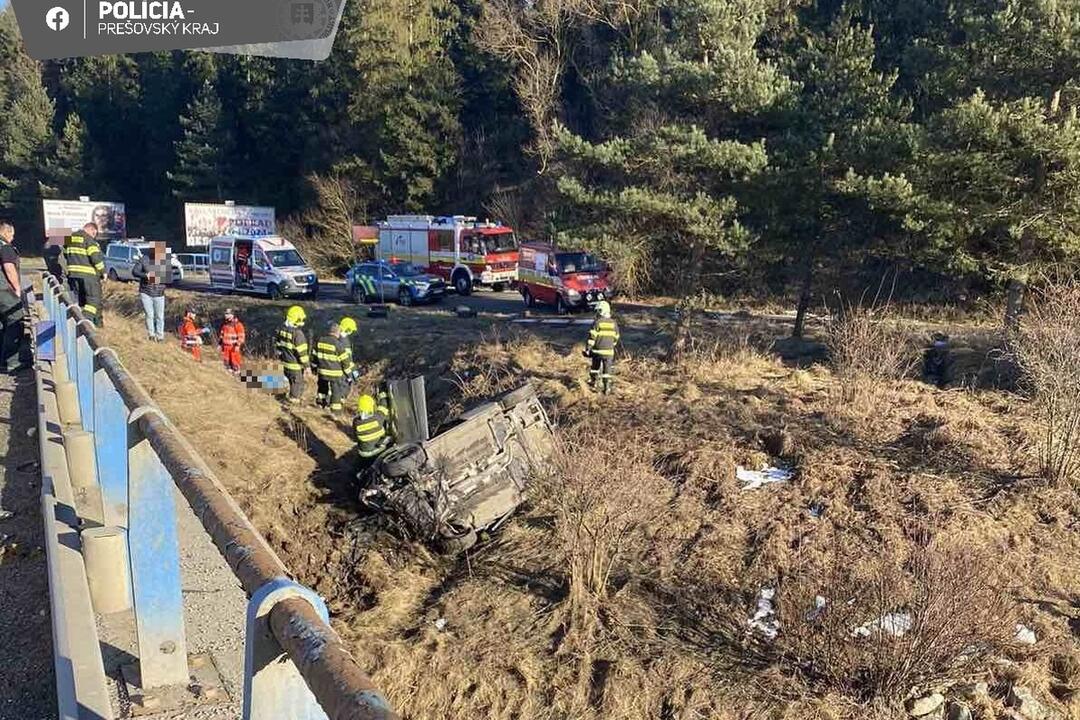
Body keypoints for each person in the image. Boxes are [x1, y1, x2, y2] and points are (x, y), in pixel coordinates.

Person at [64, 222, 106, 326]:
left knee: (81, 301)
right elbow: (96, 258)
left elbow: (65, 253)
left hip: (73, 275)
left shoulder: (70, 238)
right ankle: (84, 322)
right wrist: (103, 272)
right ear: (93, 230)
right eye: (95, 234)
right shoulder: (89, 240)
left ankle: (93, 324)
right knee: (93, 300)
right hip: (89, 276)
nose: (94, 236)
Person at [0, 221, 28, 374]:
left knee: (2, 325)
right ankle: (13, 362)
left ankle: (3, 360)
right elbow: (9, 268)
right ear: (6, 232)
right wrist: (17, 289)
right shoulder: (5, 247)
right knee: (15, 321)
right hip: (4, 291)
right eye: (12, 234)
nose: (13, 237)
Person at [131, 242, 172, 342]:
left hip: (159, 293)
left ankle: (160, 336)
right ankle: (151, 335)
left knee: (160, 316)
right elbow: (135, 271)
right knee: (149, 314)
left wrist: (159, 276)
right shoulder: (144, 259)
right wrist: (145, 275)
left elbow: (170, 279)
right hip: (146, 291)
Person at [312, 322, 355, 412]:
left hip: (322, 372)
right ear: (337, 332)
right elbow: (345, 363)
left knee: (322, 389)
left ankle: (320, 404)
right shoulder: (338, 344)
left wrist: (314, 368)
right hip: (335, 374)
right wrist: (349, 375)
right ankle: (335, 412)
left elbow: (314, 356)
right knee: (336, 393)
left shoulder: (320, 341)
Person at [583, 300, 620, 394]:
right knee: (607, 370)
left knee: (595, 367)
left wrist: (588, 349)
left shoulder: (597, 323)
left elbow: (592, 337)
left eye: (598, 311)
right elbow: (616, 337)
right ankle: (607, 387)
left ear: (601, 311)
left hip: (597, 351)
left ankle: (593, 382)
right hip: (609, 352)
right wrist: (612, 345)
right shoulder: (614, 323)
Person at [276, 305, 309, 404]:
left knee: (288, 381)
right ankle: (292, 403)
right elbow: (302, 352)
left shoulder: (281, 330)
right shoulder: (298, 334)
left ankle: (282, 396)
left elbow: (278, 346)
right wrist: (307, 366)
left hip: (285, 363)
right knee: (297, 383)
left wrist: (281, 357)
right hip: (295, 365)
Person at [353, 391, 391, 476]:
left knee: (361, 469)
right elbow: (383, 407)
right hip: (378, 451)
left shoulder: (356, 422)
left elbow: (355, 438)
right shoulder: (378, 418)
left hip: (363, 453)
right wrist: (383, 396)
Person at [219, 308, 246, 374]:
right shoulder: (225, 325)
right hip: (225, 347)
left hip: (233, 347)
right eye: (225, 314)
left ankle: (238, 376)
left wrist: (238, 345)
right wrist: (220, 344)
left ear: (232, 315)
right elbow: (222, 335)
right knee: (226, 362)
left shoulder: (238, 324)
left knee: (235, 362)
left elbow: (241, 336)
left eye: (227, 314)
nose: (226, 315)